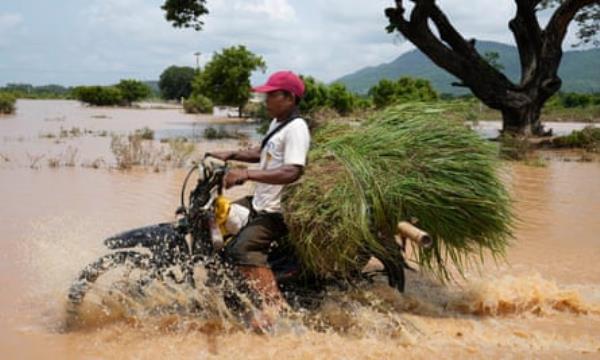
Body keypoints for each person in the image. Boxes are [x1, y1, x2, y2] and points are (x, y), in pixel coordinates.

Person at [209, 70, 310, 330]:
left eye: (270, 95)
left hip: (276, 211)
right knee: (216, 220)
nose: (265, 101)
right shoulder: (278, 123)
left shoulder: (297, 128)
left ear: (289, 97)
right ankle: (232, 288)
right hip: (259, 201)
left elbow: (292, 170)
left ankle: (273, 304)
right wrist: (231, 154)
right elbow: (262, 153)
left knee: (242, 249)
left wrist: (246, 174)